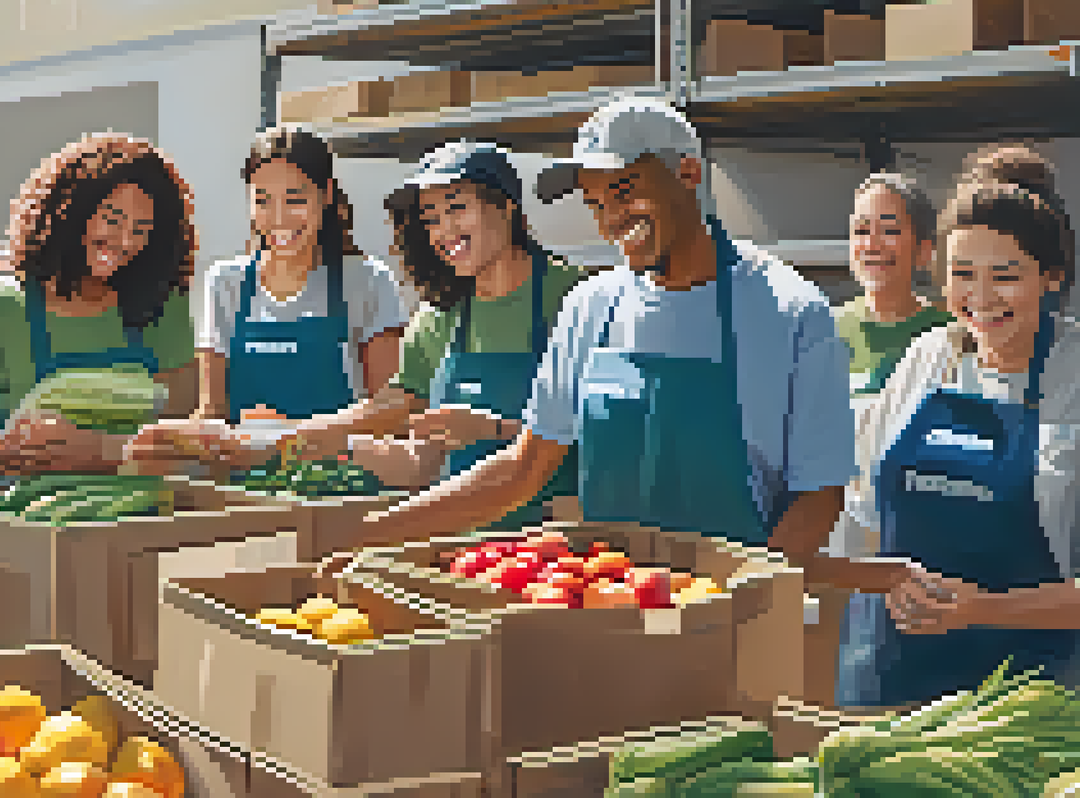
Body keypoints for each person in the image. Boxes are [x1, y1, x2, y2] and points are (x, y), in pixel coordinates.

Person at [347, 97, 855, 563]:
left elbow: (819, 499)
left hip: (734, 623)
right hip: (605, 605)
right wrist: (371, 533)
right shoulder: (591, 307)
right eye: (594, 203)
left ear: (688, 173)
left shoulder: (789, 311)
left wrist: (744, 603)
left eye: (624, 192)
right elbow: (524, 468)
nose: (610, 220)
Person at [832, 145, 1080, 708]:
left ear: (1052, 277)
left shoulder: (1073, 379)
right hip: (889, 679)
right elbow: (860, 511)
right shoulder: (925, 360)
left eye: (1006, 276)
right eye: (962, 275)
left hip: (1024, 701)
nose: (981, 298)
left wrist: (982, 610)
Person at [267, 141, 584, 524]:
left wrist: (493, 429)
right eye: (431, 219)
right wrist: (308, 440)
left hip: (550, 546)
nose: (444, 231)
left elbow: (604, 436)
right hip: (457, 538)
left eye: (457, 209)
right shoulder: (439, 315)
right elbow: (413, 443)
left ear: (506, 206)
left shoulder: (573, 298)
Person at [0, 134, 199, 492]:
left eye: (141, 230)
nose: (125, 241)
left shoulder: (164, 308)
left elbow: (184, 445)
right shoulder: (1, 310)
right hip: (27, 522)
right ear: (69, 212)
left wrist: (100, 451)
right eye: (112, 220)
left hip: (140, 520)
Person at [195, 126, 413, 423]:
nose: (278, 218)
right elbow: (212, 412)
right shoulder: (224, 284)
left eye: (295, 200)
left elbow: (389, 414)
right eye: (262, 201)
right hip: (242, 467)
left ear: (326, 196)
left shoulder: (367, 282)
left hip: (338, 468)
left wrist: (296, 435)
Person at [836, 173, 954, 399]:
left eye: (889, 230)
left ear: (924, 250)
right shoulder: (823, 329)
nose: (871, 245)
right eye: (861, 231)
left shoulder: (952, 333)